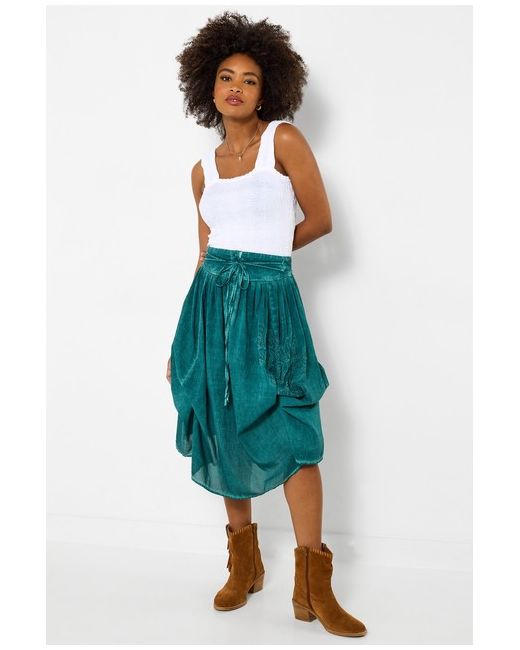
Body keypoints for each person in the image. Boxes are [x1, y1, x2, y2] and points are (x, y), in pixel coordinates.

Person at [166, 11, 367, 638]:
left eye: (249, 80)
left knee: (294, 431)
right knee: (224, 426)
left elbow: (321, 219)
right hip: (209, 306)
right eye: (226, 77)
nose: (236, 88)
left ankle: (314, 587)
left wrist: (267, 260)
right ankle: (244, 564)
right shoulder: (201, 170)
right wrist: (183, 340)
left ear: (267, 90)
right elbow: (204, 253)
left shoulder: (283, 140)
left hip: (271, 303)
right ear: (208, 87)